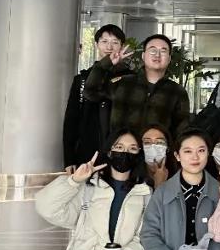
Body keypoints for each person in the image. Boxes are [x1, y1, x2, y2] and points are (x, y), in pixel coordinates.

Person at [84, 33, 190, 141]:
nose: (157, 55)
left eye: (163, 51)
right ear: (143, 56)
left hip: (155, 150)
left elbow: (181, 131)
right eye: (152, 50)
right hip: (122, 148)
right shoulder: (122, 83)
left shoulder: (177, 92)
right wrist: (106, 63)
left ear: (169, 58)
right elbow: (90, 92)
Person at [63, 24, 126, 171]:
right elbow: (71, 121)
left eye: (115, 42)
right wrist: (69, 159)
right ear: (96, 44)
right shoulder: (82, 79)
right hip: (86, 152)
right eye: (104, 42)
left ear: (122, 46)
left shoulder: (130, 79)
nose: (109, 47)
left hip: (121, 153)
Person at [141, 124, 175, 189]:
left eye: (159, 142)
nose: (153, 147)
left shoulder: (179, 178)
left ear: (168, 148)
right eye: (147, 142)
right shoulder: (133, 180)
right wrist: (159, 185)